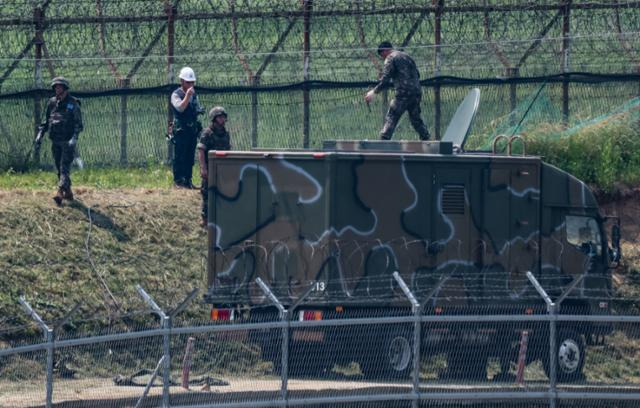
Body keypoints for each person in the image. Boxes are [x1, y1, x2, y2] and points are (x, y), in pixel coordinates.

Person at [364, 41, 430, 141]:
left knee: (392, 116)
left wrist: (373, 92)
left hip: (403, 93)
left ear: (385, 51)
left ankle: (384, 140)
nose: (383, 58)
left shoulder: (391, 58)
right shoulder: (407, 56)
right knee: (415, 118)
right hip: (416, 92)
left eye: (382, 55)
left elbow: (386, 78)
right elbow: (417, 74)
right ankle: (426, 138)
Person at [34, 76, 84, 206]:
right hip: (55, 141)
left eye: (60, 86)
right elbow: (46, 122)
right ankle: (68, 193)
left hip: (67, 142)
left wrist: (74, 138)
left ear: (65, 88)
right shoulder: (51, 103)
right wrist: (39, 135)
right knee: (59, 168)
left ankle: (59, 194)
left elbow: (79, 125)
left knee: (64, 168)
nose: (57, 89)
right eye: (56, 87)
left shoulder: (73, 104)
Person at [170, 66, 205, 188]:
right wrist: (187, 96)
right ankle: (179, 181)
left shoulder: (194, 95)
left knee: (190, 155)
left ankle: (188, 180)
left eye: (192, 82)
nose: (190, 84)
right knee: (180, 155)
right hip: (181, 130)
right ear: (182, 82)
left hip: (191, 129)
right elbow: (180, 107)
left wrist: (199, 110)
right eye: (188, 82)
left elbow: (195, 108)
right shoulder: (176, 94)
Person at [197, 106, 231, 227]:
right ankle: (205, 220)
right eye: (220, 117)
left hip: (222, 170)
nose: (223, 120)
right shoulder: (207, 133)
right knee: (207, 194)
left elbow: (229, 151)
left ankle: (220, 219)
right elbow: (201, 150)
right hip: (210, 169)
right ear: (214, 118)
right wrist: (203, 168)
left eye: (223, 117)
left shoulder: (225, 134)